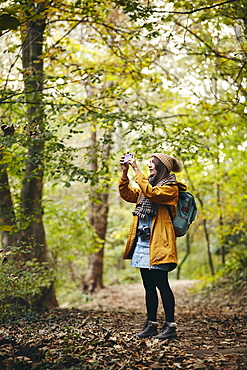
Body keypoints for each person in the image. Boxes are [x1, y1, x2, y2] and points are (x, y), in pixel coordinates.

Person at [119, 153, 187, 339]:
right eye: (148, 163)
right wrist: (125, 174)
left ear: (162, 167)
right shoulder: (146, 186)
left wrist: (136, 170)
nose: (149, 166)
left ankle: (170, 326)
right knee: (148, 285)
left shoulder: (170, 188)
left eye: (153, 163)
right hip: (143, 241)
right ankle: (151, 324)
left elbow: (152, 194)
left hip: (159, 242)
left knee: (161, 284)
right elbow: (127, 194)